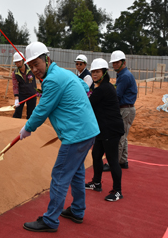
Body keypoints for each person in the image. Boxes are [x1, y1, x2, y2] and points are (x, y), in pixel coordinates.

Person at [19, 42, 99, 232]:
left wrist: (27, 128)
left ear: (47, 58)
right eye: (30, 66)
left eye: (37, 63)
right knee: (77, 172)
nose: (34, 69)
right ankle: (77, 210)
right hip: (88, 132)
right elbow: (82, 85)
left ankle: (50, 220)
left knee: (60, 175)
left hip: (76, 135)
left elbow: (42, 110)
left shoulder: (53, 80)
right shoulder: (62, 73)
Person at [85, 58, 125, 201]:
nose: (94, 74)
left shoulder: (104, 88)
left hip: (111, 129)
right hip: (103, 129)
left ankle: (118, 191)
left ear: (104, 72)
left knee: (112, 160)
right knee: (96, 155)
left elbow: (87, 104)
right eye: (93, 72)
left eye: (97, 72)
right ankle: (96, 183)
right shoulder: (100, 87)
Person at [103, 50, 137, 171]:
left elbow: (117, 95)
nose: (115, 65)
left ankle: (113, 163)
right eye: (114, 63)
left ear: (123, 62)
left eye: (117, 63)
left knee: (119, 137)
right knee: (123, 135)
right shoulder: (122, 75)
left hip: (125, 109)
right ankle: (123, 161)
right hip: (126, 108)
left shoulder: (125, 76)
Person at [11, 51, 37, 119]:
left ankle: (28, 128)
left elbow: (40, 77)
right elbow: (15, 86)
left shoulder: (31, 69)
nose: (18, 63)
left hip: (32, 95)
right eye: (16, 62)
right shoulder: (15, 73)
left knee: (31, 115)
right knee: (17, 113)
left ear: (23, 60)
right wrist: (16, 98)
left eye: (19, 61)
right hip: (21, 95)